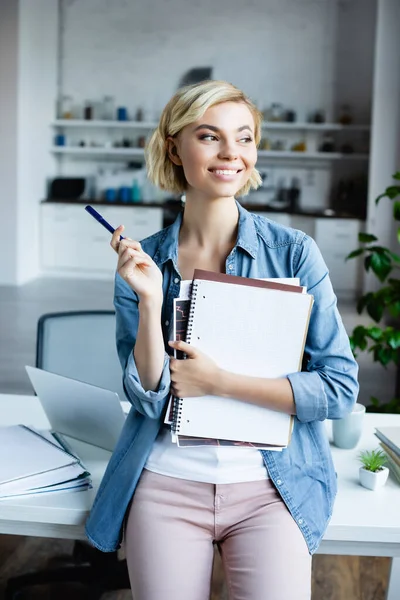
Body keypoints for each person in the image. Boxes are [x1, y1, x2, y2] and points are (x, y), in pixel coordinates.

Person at [85, 80, 359, 600]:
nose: (231, 153)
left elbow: (340, 388)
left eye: (245, 138)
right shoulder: (143, 263)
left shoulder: (295, 254)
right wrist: (148, 301)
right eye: (210, 136)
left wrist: (220, 382)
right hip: (165, 484)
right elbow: (144, 396)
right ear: (175, 147)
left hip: (269, 490)